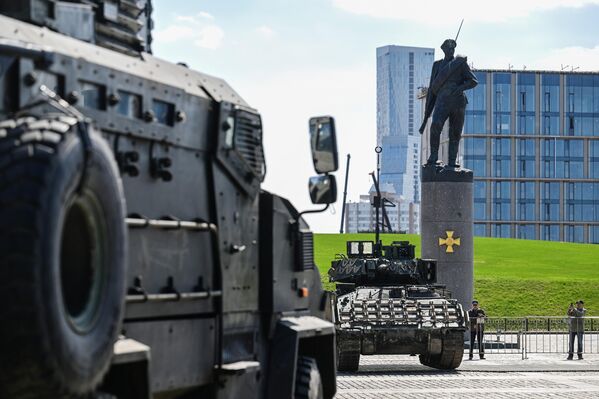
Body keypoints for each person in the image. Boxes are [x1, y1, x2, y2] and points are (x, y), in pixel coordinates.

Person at [419, 39, 478, 167]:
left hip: (458, 101)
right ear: (444, 50)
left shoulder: (460, 63)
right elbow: (432, 87)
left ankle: (452, 161)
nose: (451, 51)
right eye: (448, 49)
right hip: (442, 101)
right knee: (435, 125)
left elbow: (473, 81)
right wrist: (428, 110)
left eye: (453, 49)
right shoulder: (437, 65)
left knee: (455, 132)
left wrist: (460, 88)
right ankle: (433, 156)